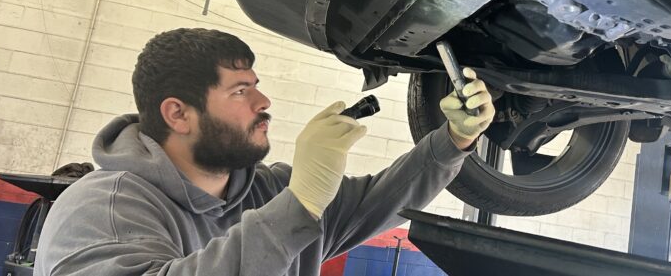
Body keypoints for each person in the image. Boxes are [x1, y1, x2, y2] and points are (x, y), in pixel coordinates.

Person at [33, 28, 495, 276]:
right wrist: (300, 205)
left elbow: (381, 201)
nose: (263, 103)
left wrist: (453, 139)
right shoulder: (104, 207)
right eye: (239, 92)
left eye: (257, 86)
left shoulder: (267, 191)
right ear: (178, 114)